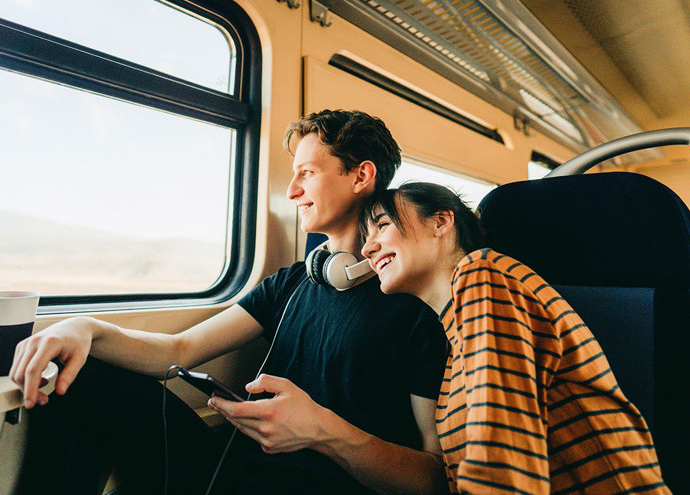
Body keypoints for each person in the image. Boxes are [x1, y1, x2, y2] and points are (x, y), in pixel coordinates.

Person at [10, 111, 449, 495]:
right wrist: (85, 327)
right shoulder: (293, 282)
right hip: (233, 476)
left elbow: (436, 478)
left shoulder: (414, 305)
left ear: (360, 176)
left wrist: (322, 431)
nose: (292, 190)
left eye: (307, 173)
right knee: (84, 371)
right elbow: (178, 351)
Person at [360, 182, 669, 494]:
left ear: (441, 222)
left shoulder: (482, 276)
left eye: (382, 225)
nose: (367, 249)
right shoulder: (455, 340)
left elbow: (502, 458)